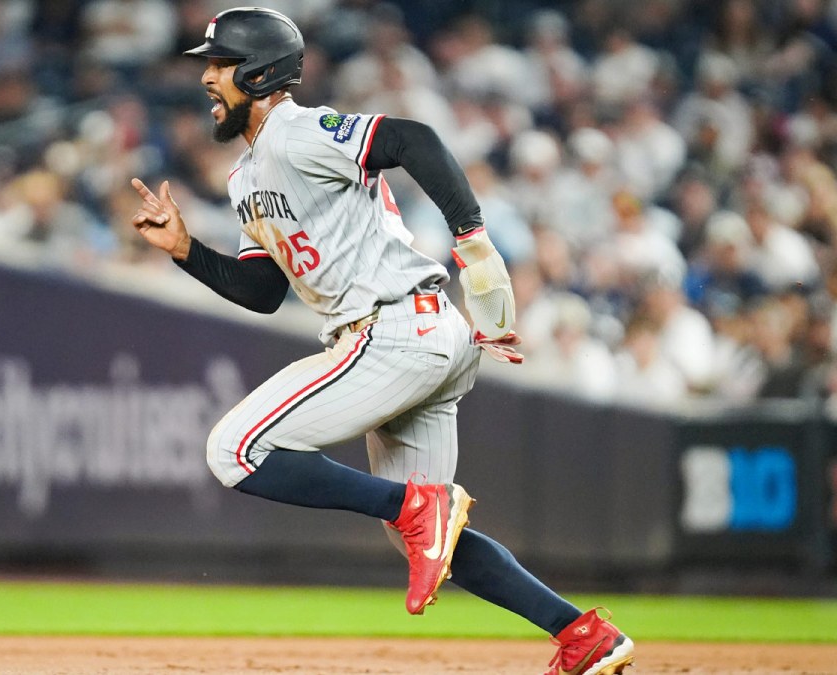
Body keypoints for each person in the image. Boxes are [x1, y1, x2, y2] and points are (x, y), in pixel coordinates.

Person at [129, 8, 634, 675]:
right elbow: (261, 290)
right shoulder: (246, 176)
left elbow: (414, 139)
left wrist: (473, 240)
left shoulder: (299, 131)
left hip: (395, 329)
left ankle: (419, 504)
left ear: (256, 72)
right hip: (417, 335)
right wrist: (188, 249)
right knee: (424, 538)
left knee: (235, 449)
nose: (208, 79)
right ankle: (582, 633)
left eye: (219, 65)